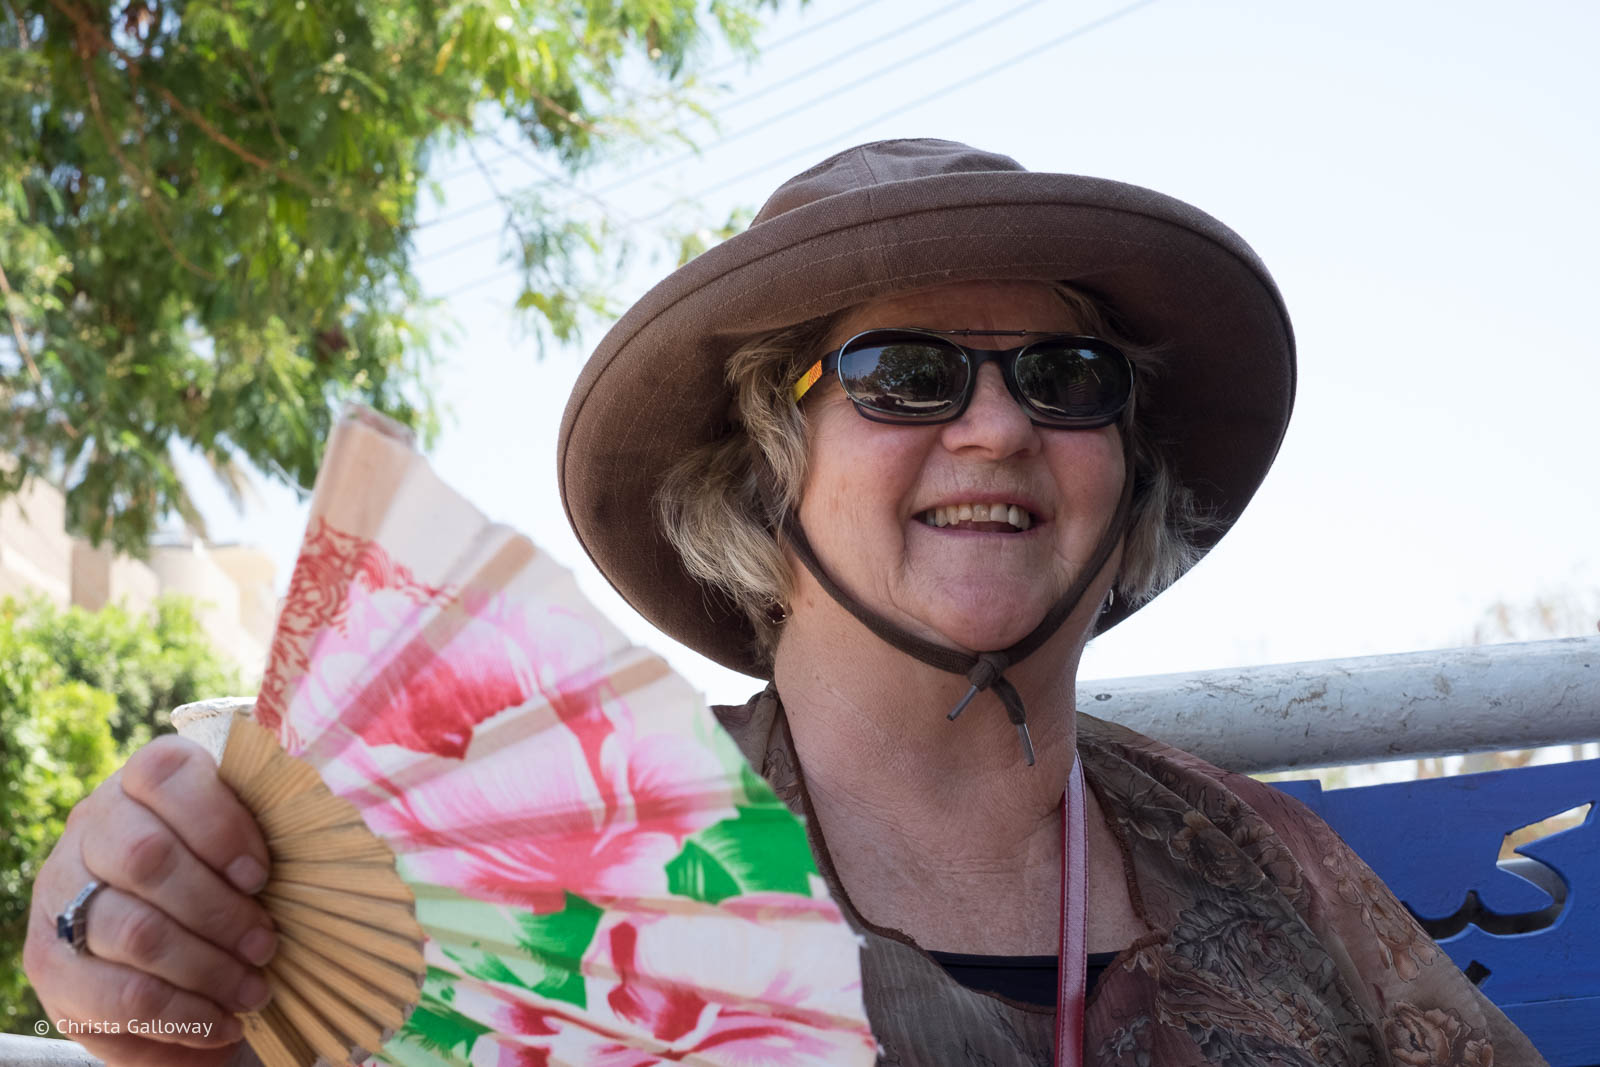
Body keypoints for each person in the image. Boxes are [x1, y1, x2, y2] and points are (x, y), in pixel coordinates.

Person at [21, 140, 1546, 1067]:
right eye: (906, 374)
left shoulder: (1273, 865)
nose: (1000, 428)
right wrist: (160, 1003)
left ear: (1122, 470)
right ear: (763, 475)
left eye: (1067, 378)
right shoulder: (553, 878)